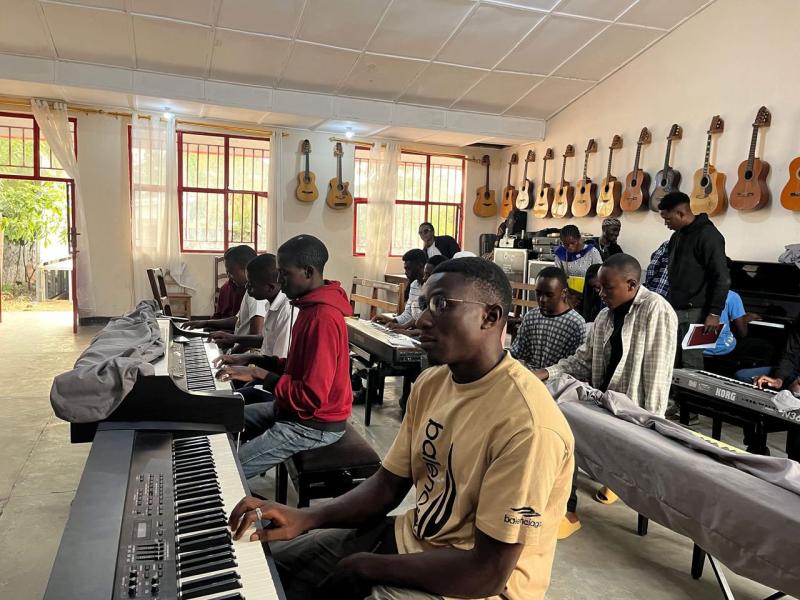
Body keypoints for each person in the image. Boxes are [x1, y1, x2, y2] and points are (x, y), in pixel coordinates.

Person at [227, 258, 575, 600]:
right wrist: (307, 517)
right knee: (260, 567)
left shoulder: (528, 424)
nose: (422, 320)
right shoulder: (432, 383)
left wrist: (367, 566)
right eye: (424, 304)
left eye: (440, 305)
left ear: (490, 316)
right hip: (414, 540)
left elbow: (487, 574)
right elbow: (387, 485)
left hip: (477, 586)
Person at [533, 254, 677, 539]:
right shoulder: (603, 316)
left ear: (631, 284)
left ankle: (612, 481)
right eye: (598, 288)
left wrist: (651, 425)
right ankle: (566, 510)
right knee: (563, 430)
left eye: (606, 289)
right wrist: (546, 373)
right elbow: (582, 361)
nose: (599, 294)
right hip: (603, 403)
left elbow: (657, 375)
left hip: (633, 411)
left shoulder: (656, 311)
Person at [216, 235, 353, 478]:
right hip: (294, 411)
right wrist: (251, 361)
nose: (278, 280)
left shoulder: (322, 318)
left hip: (313, 425)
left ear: (308, 272)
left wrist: (260, 374)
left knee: (225, 475)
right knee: (221, 417)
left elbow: (311, 396)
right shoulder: (309, 307)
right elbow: (295, 366)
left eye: (284, 273)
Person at [659, 191, 729, 371]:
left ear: (681, 214)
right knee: (669, 360)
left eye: (668, 219)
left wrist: (714, 313)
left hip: (697, 312)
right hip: (675, 308)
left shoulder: (709, 235)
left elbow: (722, 277)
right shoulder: (676, 236)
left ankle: (687, 400)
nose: (665, 224)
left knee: (691, 364)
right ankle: (670, 399)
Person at [213, 254, 295, 404]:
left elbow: (279, 366)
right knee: (222, 391)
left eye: (251, 284)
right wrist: (238, 346)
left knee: (224, 403)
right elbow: (265, 340)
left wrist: (251, 371)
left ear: (270, 287)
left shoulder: (287, 311)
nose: (246, 287)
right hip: (264, 374)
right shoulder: (271, 303)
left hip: (277, 388)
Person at [184, 245, 266, 350]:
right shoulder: (249, 290)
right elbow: (237, 319)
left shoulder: (256, 296)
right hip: (237, 350)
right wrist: (206, 322)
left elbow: (256, 337)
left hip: (243, 356)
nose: (229, 276)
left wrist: (232, 353)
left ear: (247, 269)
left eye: (231, 272)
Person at [511, 266, 586, 371]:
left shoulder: (576, 324)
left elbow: (577, 365)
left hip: (559, 382)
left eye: (549, 295)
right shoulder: (531, 317)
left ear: (564, 293)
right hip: (530, 377)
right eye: (538, 293)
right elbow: (518, 352)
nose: (542, 299)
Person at [736, 315, 800, 394]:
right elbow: (790, 356)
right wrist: (779, 379)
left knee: (796, 391)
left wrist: (797, 382)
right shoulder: (797, 325)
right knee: (742, 375)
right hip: (793, 372)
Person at [374, 249, 426, 331]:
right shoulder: (414, 284)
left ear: (420, 266)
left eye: (408, 268)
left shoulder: (431, 287)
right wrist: (393, 320)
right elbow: (408, 314)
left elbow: (425, 319)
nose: (405, 272)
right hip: (411, 330)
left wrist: (404, 327)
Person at [553, 225, 602, 295]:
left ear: (579, 238)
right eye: (565, 244)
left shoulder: (591, 252)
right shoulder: (560, 253)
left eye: (573, 243)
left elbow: (600, 275)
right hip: (569, 294)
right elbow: (557, 276)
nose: (570, 247)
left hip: (589, 293)